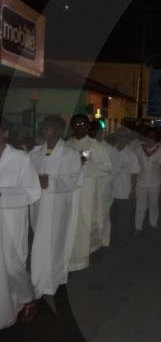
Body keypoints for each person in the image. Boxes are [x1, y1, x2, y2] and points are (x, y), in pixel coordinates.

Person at [29, 116, 82, 304]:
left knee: (52, 244)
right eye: (43, 127)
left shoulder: (70, 154)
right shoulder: (35, 153)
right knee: (41, 242)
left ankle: (44, 283)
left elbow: (74, 179)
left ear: (59, 131)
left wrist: (50, 181)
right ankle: (48, 279)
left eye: (48, 128)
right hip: (38, 206)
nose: (44, 130)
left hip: (58, 206)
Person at [0, 118, 42, 328]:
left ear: (5, 133)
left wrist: (3, 195)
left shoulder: (20, 159)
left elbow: (33, 192)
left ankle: (27, 297)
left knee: (13, 266)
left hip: (12, 221)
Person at [65, 114, 112, 271]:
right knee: (71, 221)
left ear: (87, 127)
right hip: (70, 190)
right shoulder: (67, 144)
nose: (79, 127)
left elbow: (106, 167)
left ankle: (86, 255)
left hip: (87, 188)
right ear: (72, 127)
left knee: (86, 219)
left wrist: (86, 165)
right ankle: (71, 256)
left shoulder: (94, 145)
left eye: (82, 124)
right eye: (76, 124)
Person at [133, 127, 161, 233]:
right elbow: (134, 166)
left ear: (156, 137)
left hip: (155, 182)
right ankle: (138, 227)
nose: (150, 138)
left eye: (153, 136)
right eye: (148, 136)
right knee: (140, 205)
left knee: (154, 203)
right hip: (141, 181)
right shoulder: (139, 148)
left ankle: (153, 222)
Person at [107, 131, 140, 241]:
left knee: (123, 215)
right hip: (109, 188)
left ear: (127, 139)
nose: (121, 139)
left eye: (123, 137)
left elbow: (134, 173)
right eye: (119, 136)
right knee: (110, 214)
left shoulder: (131, 154)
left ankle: (122, 237)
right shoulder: (110, 151)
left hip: (124, 189)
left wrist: (133, 189)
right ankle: (110, 234)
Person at [88, 120, 114, 248]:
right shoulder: (86, 147)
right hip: (89, 187)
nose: (94, 134)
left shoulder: (109, 149)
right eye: (91, 131)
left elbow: (112, 170)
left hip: (104, 186)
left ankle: (104, 241)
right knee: (92, 216)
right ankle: (91, 242)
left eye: (96, 131)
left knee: (103, 215)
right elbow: (83, 165)